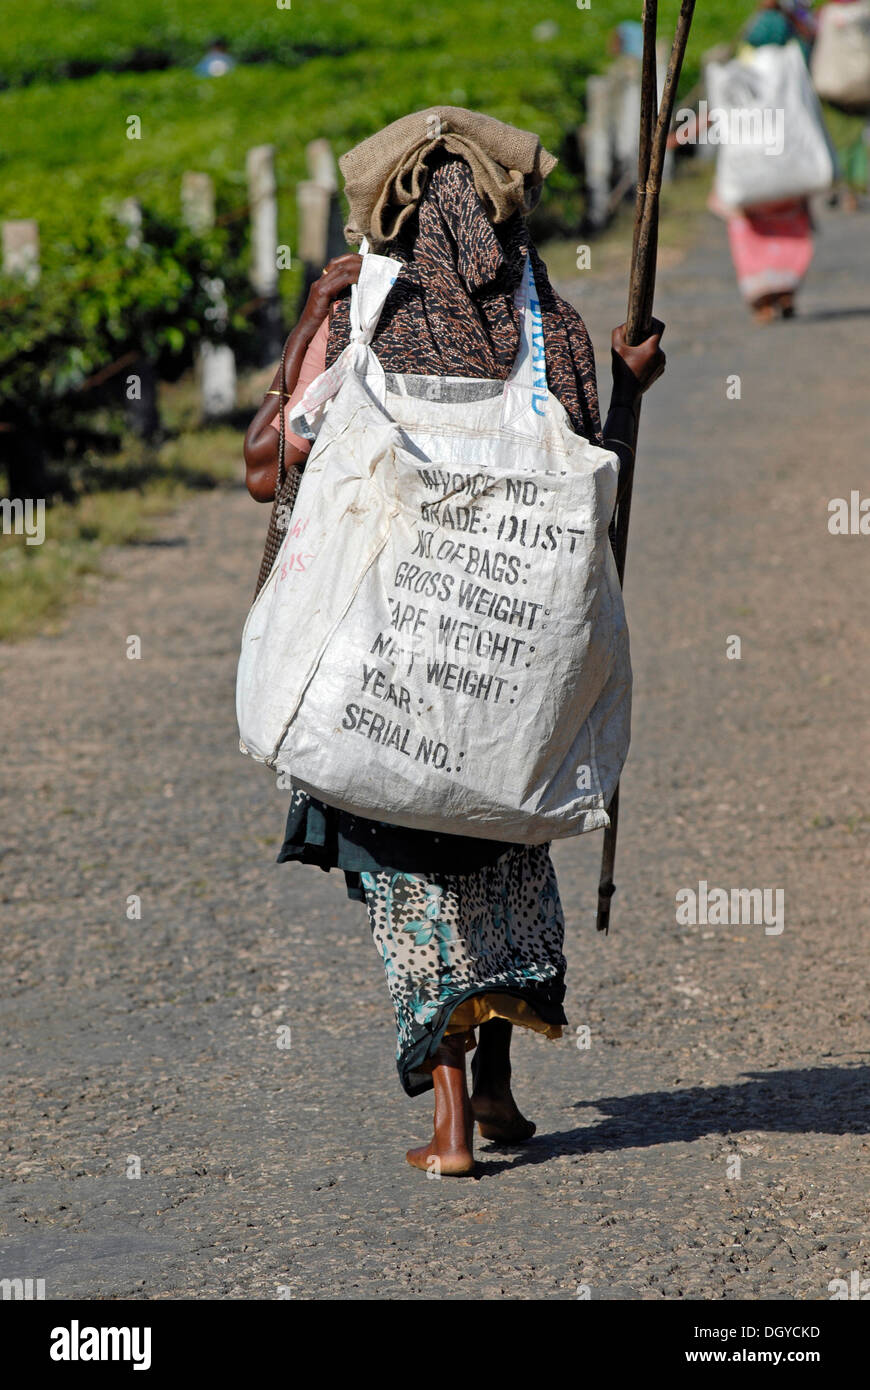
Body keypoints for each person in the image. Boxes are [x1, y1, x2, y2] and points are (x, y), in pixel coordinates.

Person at [243, 108, 665, 1176]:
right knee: (501, 839)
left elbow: (270, 468)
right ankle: (499, 1089)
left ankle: (453, 1128)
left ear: (386, 215)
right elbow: (595, 489)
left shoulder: (357, 326)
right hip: (508, 662)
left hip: (390, 661)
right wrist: (632, 386)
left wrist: (307, 319)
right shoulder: (558, 331)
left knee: (416, 872)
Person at [725, 1, 819, 322]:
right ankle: (786, 291)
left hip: (750, 170)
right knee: (791, 228)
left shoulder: (742, 66)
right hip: (791, 170)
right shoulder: (796, 63)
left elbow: (718, 110)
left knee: (752, 232)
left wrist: (679, 135)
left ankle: (762, 300)